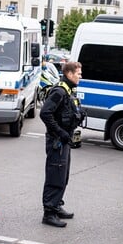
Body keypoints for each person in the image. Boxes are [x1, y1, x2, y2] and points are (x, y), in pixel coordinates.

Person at [39, 60, 84, 227]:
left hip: (64, 140)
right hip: (57, 141)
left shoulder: (68, 90)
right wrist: (60, 132)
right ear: (69, 74)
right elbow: (45, 114)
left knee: (63, 176)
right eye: (78, 74)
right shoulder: (59, 91)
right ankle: (49, 213)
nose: (80, 76)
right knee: (55, 176)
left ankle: (56, 206)